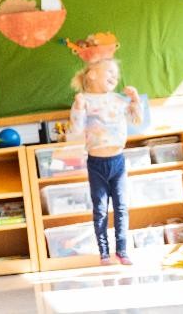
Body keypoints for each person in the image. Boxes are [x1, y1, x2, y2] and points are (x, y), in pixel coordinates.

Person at [69, 58, 142, 266]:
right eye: (109, 71)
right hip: (96, 162)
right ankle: (104, 253)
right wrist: (78, 108)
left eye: (116, 74)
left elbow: (137, 120)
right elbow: (75, 130)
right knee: (100, 209)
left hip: (118, 160)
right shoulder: (84, 99)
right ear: (91, 74)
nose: (114, 76)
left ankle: (122, 250)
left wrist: (135, 100)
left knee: (121, 207)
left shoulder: (119, 100)